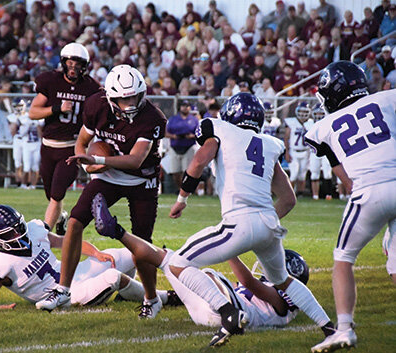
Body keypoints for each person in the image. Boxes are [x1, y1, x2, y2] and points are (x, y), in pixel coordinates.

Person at [100, 92, 334, 347]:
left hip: (239, 221)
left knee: (178, 264)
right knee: (283, 281)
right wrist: (261, 222)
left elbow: (199, 161)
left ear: (230, 114)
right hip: (269, 223)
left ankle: (227, 312)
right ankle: (328, 327)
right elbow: (289, 199)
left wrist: (182, 199)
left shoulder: (220, 129)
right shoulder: (270, 143)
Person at [35, 65, 167, 320]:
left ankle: (151, 299)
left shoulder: (153, 117)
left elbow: (135, 160)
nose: (130, 103)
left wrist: (99, 160)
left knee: (142, 243)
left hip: (142, 180)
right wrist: (89, 163)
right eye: (123, 98)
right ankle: (63, 289)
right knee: (74, 220)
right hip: (108, 174)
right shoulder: (96, 105)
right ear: (110, 97)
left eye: (134, 96)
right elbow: (82, 142)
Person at [93, 193, 314, 329]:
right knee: (167, 259)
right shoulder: (281, 305)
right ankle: (116, 230)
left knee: (200, 271)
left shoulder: (282, 301)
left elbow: (248, 282)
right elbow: (245, 288)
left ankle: (116, 231)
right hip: (211, 314)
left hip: (225, 313)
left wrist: (230, 247)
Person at [305, 61, 396, 352]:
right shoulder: (388, 98)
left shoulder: (321, 127)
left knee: (344, 257)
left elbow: (341, 171)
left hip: (368, 191)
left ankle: (344, 329)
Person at [0, 205, 180, 309]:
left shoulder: (34, 230)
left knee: (124, 254)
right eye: (10, 233)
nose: (19, 234)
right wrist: (0, 308)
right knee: (113, 277)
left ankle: (178, 267)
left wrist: (96, 253)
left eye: (19, 227)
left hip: (73, 273)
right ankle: (166, 297)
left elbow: (67, 242)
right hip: (64, 295)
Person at [28, 42, 100, 233]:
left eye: (77, 65)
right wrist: (57, 108)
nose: (73, 68)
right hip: (48, 146)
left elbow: (97, 115)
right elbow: (33, 113)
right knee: (51, 194)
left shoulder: (91, 88)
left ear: (84, 66)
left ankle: (44, 235)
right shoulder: (51, 81)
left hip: (71, 147)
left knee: (58, 193)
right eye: (70, 63)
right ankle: (61, 217)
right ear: (63, 63)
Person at [164, 100, 199, 190]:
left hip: (188, 147)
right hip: (175, 146)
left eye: (187, 106)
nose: (185, 107)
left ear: (190, 108)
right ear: (180, 107)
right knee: (175, 172)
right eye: (183, 105)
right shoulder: (173, 119)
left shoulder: (194, 120)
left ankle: (186, 190)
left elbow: (199, 133)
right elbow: (165, 133)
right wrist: (174, 136)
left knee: (186, 171)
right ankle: (180, 189)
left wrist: (192, 136)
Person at [284, 101, 312, 196]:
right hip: (294, 151)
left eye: (305, 112)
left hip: (305, 151)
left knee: (302, 175)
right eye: (301, 111)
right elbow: (286, 137)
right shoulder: (291, 122)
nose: (303, 114)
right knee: (294, 174)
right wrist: (286, 152)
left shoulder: (310, 123)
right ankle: (289, 194)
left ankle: (300, 194)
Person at [305, 103, 332, 200]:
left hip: (326, 152)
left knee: (327, 173)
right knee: (314, 173)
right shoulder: (308, 124)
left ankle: (328, 195)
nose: (319, 116)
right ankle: (315, 196)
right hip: (314, 152)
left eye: (321, 113)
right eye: (317, 114)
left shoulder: (327, 122)